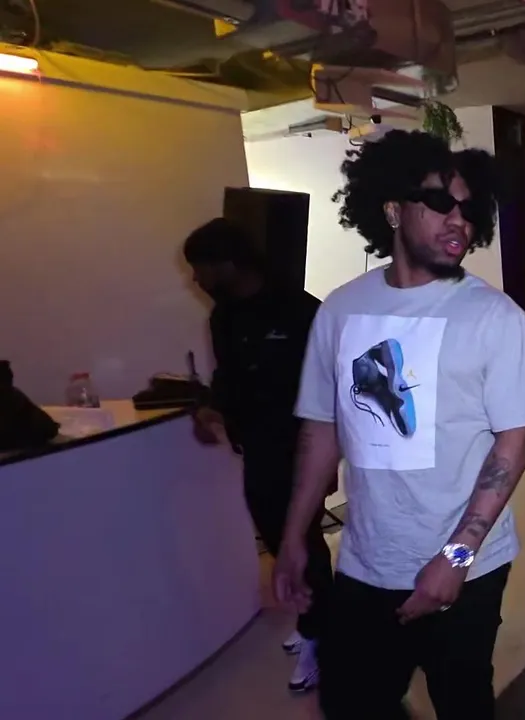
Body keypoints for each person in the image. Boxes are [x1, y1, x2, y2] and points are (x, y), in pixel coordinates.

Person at [272, 130, 525, 720]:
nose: (459, 221)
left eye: (469, 210)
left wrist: (456, 558)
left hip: (466, 567)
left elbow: (515, 440)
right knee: (352, 703)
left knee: (462, 700)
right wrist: (294, 534)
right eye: (440, 203)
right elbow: (321, 429)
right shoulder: (341, 309)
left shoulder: (493, 316)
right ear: (394, 210)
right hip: (365, 561)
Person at [183, 218, 333, 693]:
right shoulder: (223, 317)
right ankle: (314, 620)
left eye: (200, 268)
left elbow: (328, 384)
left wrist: (328, 455)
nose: (195, 279)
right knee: (279, 537)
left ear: (228, 263)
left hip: (302, 446)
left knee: (302, 541)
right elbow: (229, 376)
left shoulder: (299, 310)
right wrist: (213, 408)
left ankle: (321, 635)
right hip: (258, 448)